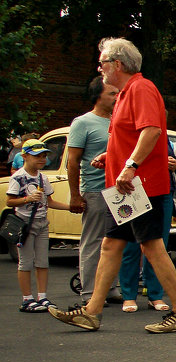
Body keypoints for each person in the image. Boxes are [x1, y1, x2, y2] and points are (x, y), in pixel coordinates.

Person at [49, 37, 176, 333]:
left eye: (102, 63)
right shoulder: (128, 92)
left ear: (117, 64)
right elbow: (131, 135)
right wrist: (111, 155)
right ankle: (92, 311)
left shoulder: (141, 88)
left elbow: (152, 130)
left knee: (151, 246)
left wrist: (129, 166)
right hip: (128, 189)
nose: (100, 68)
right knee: (111, 245)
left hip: (140, 186)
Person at [67, 77, 121, 305]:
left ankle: (112, 288)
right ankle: (89, 291)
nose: (116, 97)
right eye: (112, 93)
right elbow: (73, 161)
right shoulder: (82, 123)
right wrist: (75, 195)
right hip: (95, 190)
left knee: (117, 240)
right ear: (97, 96)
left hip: (119, 190)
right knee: (93, 241)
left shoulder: (117, 121)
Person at [7, 139, 71, 311]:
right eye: (37, 156)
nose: (41, 160)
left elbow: (49, 201)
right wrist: (27, 199)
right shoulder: (18, 177)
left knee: (43, 262)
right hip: (26, 225)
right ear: (25, 156)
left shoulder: (43, 178)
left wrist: (71, 207)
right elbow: (9, 201)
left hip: (42, 223)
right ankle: (26, 298)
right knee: (25, 262)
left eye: (44, 156)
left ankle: (42, 297)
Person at [116, 142, 176, 311]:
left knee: (159, 246)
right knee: (132, 245)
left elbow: (172, 163)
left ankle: (156, 295)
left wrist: (174, 165)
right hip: (136, 190)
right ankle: (128, 295)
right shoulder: (134, 136)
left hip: (163, 192)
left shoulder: (166, 139)